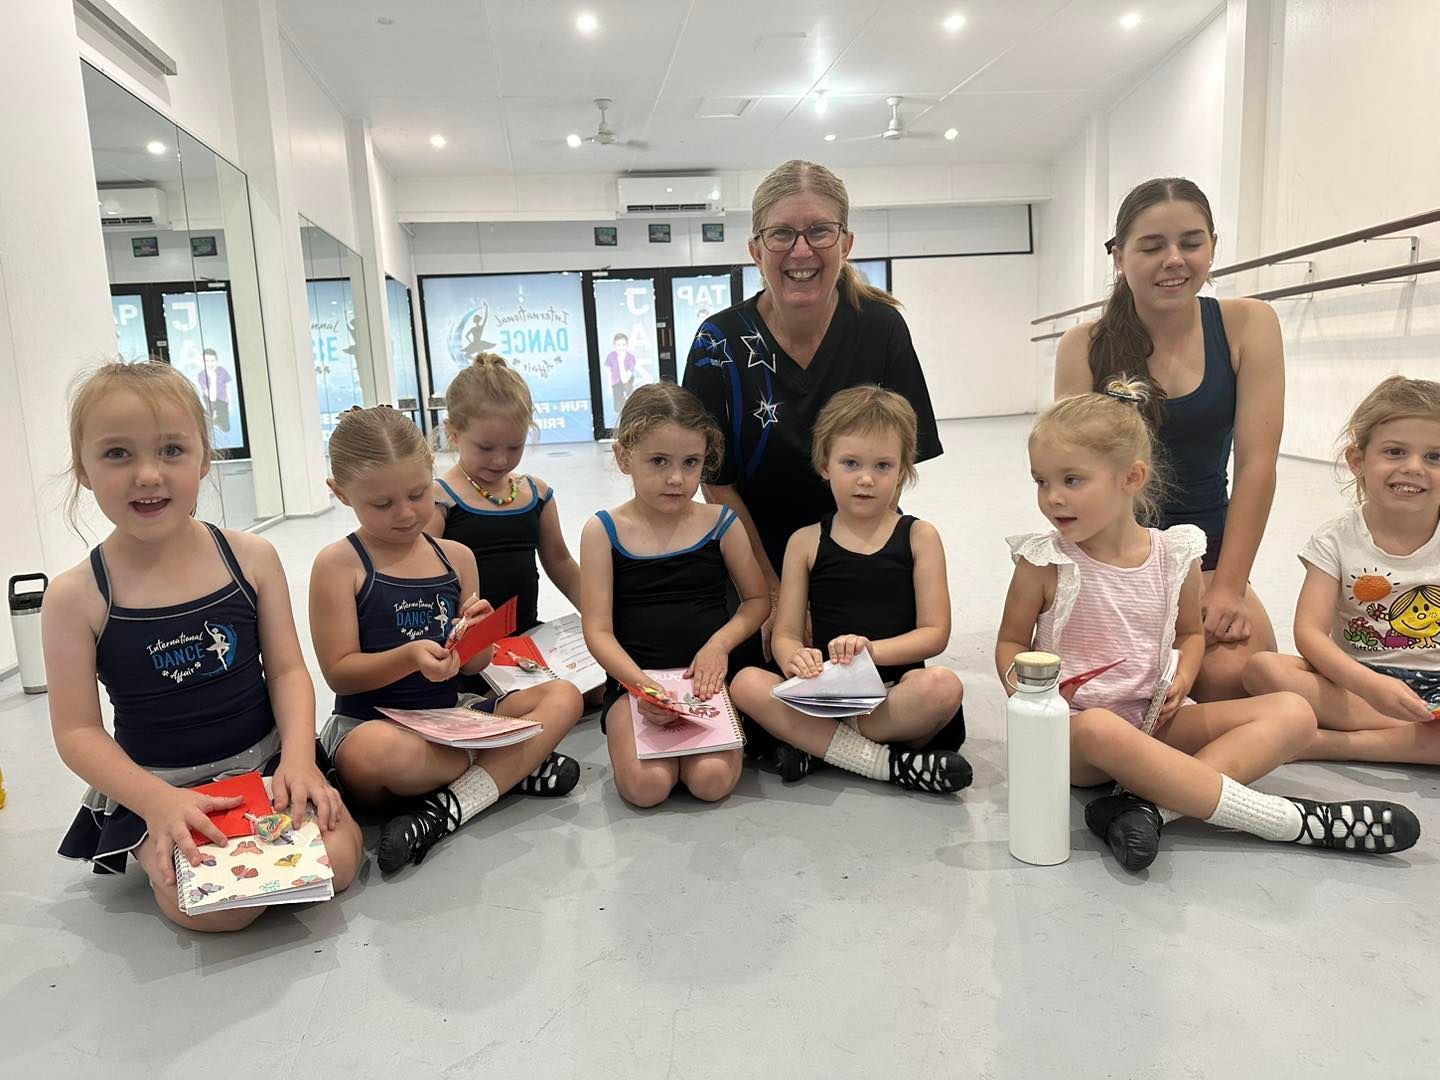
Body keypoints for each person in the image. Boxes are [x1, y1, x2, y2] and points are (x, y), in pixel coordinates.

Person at [996, 379, 1420, 872]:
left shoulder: (1175, 555)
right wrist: (1028, 695)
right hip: (1075, 737)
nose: (1052, 499)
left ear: (1131, 477)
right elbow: (1011, 641)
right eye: (1041, 482)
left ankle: (1148, 808)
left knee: (1294, 714)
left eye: (1071, 481)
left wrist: (1184, 674)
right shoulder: (1044, 561)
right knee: (1100, 727)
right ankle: (1287, 820)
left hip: (1157, 719)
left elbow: (1188, 635)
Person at [47, 360, 362, 932]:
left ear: (204, 458)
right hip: (162, 784)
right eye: (118, 454)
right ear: (84, 469)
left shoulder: (250, 558)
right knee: (224, 915)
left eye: (171, 450)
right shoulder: (75, 596)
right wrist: (156, 802)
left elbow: (288, 671)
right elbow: (77, 732)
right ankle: (151, 843)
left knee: (338, 866)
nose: (148, 474)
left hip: (266, 763)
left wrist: (297, 760)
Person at [683, 159, 942, 655]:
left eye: (819, 231)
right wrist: (777, 593)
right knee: (752, 705)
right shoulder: (718, 341)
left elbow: (899, 462)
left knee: (888, 694)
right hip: (750, 553)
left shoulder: (880, 329)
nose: (800, 250)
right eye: (781, 234)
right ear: (756, 249)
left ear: (845, 243)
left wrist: (848, 572)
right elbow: (715, 480)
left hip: (859, 540)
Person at [310, 407, 583, 873]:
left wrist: (475, 636)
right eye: (381, 504)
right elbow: (340, 672)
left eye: (418, 494)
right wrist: (410, 657)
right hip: (372, 727)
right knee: (373, 752)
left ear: (432, 475)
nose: (405, 513)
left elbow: (474, 665)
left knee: (563, 696)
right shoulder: (339, 565)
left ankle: (445, 807)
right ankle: (508, 768)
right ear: (340, 493)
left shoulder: (455, 556)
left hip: (450, 718)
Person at [1053, 177, 1282, 701]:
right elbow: (1066, 479)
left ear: (1213, 247)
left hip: (1209, 554)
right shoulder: (1084, 346)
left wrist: (1227, 585)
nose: (1174, 260)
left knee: (1235, 682)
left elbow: (1257, 465)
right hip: (1114, 557)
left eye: (1191, 242)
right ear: (1118, 257)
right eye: (1152, 247)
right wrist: (1109, 588)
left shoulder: (1248, 324)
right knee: (1115, 693)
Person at [730, 387, 970, 791]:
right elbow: (786, 634)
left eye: (882, 466)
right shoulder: (805, 542)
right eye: (850, 462)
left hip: (893, 695)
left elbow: (934, 634)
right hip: (825, 695)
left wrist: (873, 651)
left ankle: (817, 748)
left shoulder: (919, 537)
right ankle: (886, 764)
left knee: (943, 687)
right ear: (825, 464)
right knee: (744, 684)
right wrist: (796, 659)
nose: (865, 478)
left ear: (903, 470)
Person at [579, 382, 770, 808]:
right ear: (624, 456)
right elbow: (598, 631)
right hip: (636, 685)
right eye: (659, 461)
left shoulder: (721, 522)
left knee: (712, 780)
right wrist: (639, 686)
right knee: (647, 787)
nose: (676, 478)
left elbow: (758, 601)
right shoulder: (602, 531)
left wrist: (719, 646)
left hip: (707, 684)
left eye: (691, 463)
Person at [1244, 376, 1440, 765]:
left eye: (1436, 456)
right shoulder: (1335, 539)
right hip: (1356, 682)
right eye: (1396, 452)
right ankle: (1416, 741)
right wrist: (1370, 685)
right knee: (1262, 669)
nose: (1414, 467)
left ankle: (1323, 743)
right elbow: (1310, 633)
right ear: (1358, 461)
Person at [428, 354, 581, 636]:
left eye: (514, 447)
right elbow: (425, 585)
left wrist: (603, 618)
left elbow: (561, 564)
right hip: (467, 648)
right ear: (453, 433)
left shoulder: (537, 495)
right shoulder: (439, 500)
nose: (500, 461)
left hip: (525, 640)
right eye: (486, 448)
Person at [196, 348, 231, 432]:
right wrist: (213, 378)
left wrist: (230, 404)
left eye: (212, 360)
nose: (210, 364)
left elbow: (227, 388)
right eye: (207, 361)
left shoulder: (222, 371)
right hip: (209, 400)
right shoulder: (201, 375)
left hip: (222, 400)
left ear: (216, 361)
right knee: (209, 428)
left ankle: (218, 421)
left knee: (226, 428)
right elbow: (211, 397)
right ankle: (212, 421)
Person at [603, 332, 636, 416]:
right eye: (618, 345)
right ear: (614, 346)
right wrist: (609, 386)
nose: (621, 348)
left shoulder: (631, 358)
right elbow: (609, 371)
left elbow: (625, 379)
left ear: (627, 345)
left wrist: (621, 361)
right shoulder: (611, 356)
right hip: (615, 384)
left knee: (629, 408)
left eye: (623, 345)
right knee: (617, 409)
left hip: (627, 385)